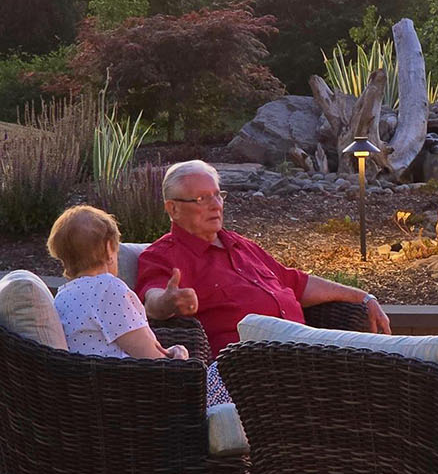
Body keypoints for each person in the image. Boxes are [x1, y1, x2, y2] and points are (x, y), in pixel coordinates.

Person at [134, 160, 391, 355]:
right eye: (202, 198)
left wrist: (362, 296)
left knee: (403, 358)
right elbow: (151, 302)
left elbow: (296, 283)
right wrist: (168, 302)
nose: (216, 205)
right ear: (173, 208)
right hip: (255, 369)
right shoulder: (163, 256)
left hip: (307, 351)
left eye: (217, 195)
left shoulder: (240, 245)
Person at [47, 205, 230, 406]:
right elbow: (152, 360)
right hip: (137, 397)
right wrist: (179, 354)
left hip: (99, 396)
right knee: (230, 376)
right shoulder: (107, 288)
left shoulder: (62, 296)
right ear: (109, 248)